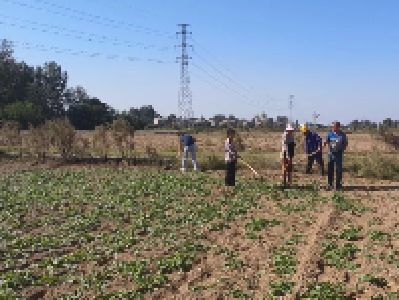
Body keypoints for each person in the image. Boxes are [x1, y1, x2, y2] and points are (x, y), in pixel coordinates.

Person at [324, 121, 348, 190]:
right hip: (330, 154)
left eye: (334, 126)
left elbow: (345, 143)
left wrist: (342, 150)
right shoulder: (330, 134)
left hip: (338, 154)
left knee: (338, 170)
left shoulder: (342, 135)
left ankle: (338, 185)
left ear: (338, 127)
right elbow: (326, 141)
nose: (333, 128)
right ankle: (330, 185)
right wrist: (323, 146)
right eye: (332, 126)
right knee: (330, 170)